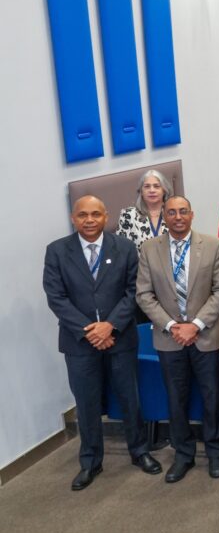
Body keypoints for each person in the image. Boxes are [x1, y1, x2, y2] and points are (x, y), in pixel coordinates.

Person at [44, 196, 159, 490]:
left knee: (129, 398)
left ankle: (140, 451)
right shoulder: (57, 251)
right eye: (83, 215)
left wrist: (110, 326)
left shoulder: (125, 247)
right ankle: (90, 461)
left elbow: (133, 290)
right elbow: (56, 297)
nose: (90, 220)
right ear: (73, 218)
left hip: (120, 337)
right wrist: (90, 332)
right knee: (86, 403)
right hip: (79, 343)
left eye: (95, 214)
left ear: (106, 216)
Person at [136, 196, 219, 483]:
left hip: (207, 335)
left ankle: (216, 452)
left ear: (192, 214)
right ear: (164, 216)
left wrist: (196, 325)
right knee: (176, 399)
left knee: (212, 397)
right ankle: (183, 454)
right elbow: (144, 294)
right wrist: (172, 326)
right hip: (170, 338)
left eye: (183, 212)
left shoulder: (213, 245)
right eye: (172, 212)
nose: (178, 217)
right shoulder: (149, 249)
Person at [116, 169, 172, 248]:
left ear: (164, 190)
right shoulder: (128, 215)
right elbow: (121, 248)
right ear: (141, 191)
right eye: (147, 186)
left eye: (156, 186)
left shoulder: (173, 213)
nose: (152, 190)